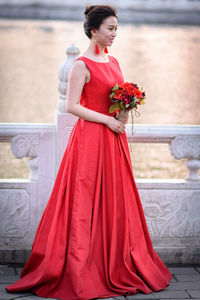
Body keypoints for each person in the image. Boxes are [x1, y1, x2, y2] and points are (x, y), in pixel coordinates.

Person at [5, 4, 172, 300]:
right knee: (84, 201)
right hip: (91, 140)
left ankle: (114, 258)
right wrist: (107, 119)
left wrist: (122, 112)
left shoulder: (114, 60)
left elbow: (115, 96)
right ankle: (82, 264)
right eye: (110, 28)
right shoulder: (80, 64)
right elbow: (72, 106)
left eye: (116, 28)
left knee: (114, 199)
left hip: (113, 140)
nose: (114, 34)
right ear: (94, 30)